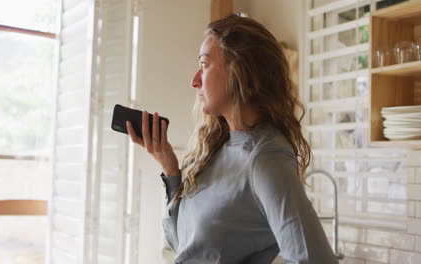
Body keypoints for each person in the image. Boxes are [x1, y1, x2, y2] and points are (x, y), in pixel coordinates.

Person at [126, 14, 338, 264]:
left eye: (204, 64)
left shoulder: (266, 158)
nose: (194, 81)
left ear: (240, 70)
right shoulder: (217, 147)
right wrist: (171, 169)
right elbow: (185, 246)